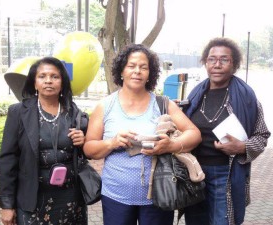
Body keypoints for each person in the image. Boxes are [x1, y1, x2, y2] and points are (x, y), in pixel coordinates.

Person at [83, 44, 201, 225]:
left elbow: (194, 133)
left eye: (143, 67)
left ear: (150, 74)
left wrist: (171, 146)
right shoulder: (105, 106)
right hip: (115, 196)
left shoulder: (163, 104)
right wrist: (112, 143)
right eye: (131, 66)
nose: (137, 71)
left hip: (158, 195)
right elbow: (90, 148)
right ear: (121, 71)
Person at [182, 37, 271, 225]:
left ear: (234, 64)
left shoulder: (247, 98)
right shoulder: (196, 95)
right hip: (195, 173)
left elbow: (262, 136)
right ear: (205, 62)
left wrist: (241, 147)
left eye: (224, 60)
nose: (217, 64)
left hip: (226, 174)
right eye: (212, 59)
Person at [0, 57, 89, 225]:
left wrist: (83, 140)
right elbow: (8, 160)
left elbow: (86, 153)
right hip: (33, 199)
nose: (48, 81)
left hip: (71, 198)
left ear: (62, 82)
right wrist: (7, 205)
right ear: (34, 82)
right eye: (42, 76)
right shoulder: (19, 112)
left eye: (54, 76)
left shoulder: (74, 111)